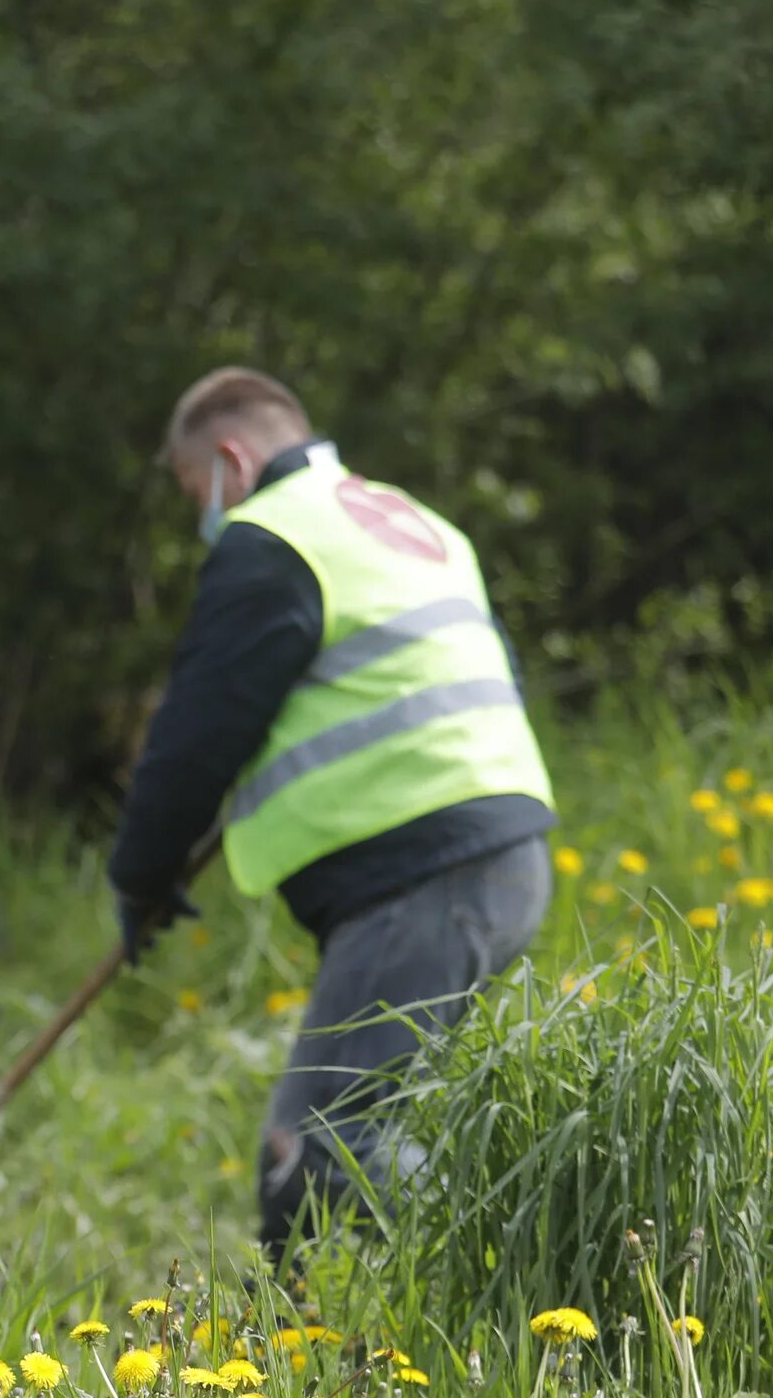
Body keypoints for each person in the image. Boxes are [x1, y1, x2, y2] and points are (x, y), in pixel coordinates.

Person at [109, 368, 557, 1257]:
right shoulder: (418, 522)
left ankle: (524, 1294)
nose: (205, 515)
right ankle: (405, 1333)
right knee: (384, 1127)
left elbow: (200, 730)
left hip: (421, 874)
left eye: (197, 493)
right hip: (504, 856)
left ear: (231, 462)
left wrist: (141, 875)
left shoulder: (271, 537)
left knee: (321, 1144)